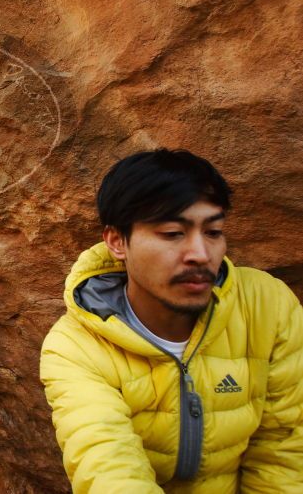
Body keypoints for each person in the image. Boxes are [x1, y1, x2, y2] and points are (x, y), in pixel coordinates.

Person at [39, 149, 303, 493]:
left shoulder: (265, 306)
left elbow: (284, 451)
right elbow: (109, 469)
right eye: (172, 233)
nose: (200, 254)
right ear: (117, 241)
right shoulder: (75, 348)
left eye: (213, 231)